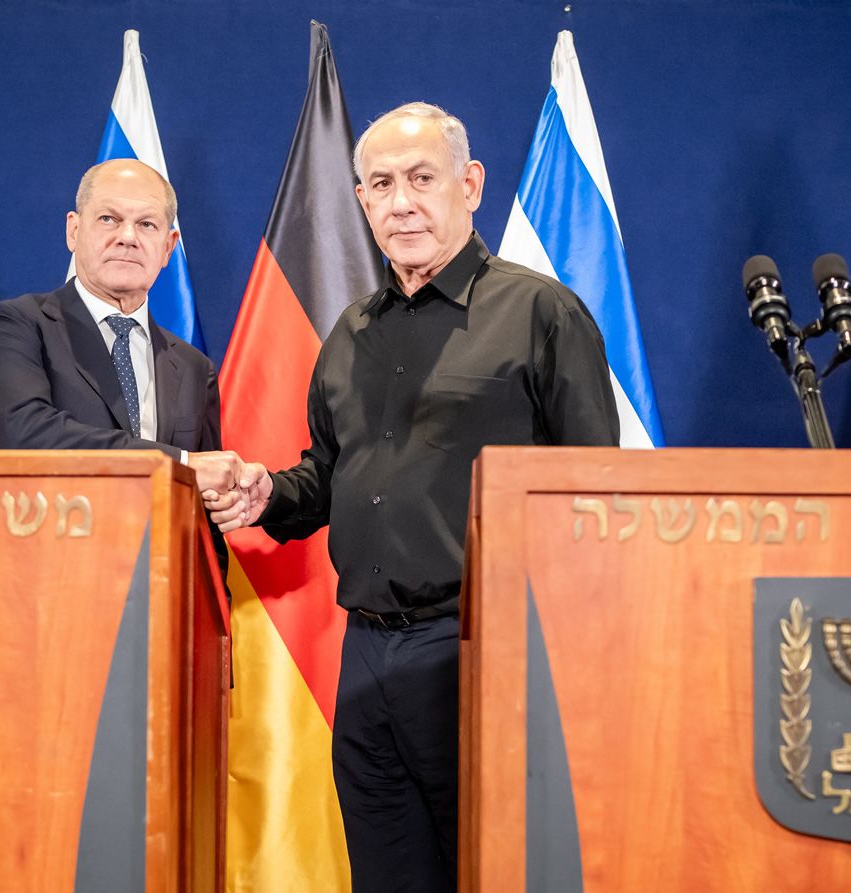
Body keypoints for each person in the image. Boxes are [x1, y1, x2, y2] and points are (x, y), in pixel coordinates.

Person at [208, 103, 620, 891]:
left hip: (483, 649)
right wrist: (268, 493)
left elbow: (595, 498)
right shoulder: (350, 333)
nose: (401, 202)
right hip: (365, 655)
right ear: (361, 201)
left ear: (470, 185)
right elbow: (330, 475)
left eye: (422, 178)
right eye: (382, 184)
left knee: (496, 872)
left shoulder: (541, 313)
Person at [0, 158, 245, 497]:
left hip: (164, 534)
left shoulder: (194, 368)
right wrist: (181, 463)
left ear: (168, 247)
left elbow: (205, 500)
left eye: (146, 224)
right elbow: (23, 434)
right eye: (108, 219)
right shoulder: (17, 325)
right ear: (73, 230)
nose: (127, 237)